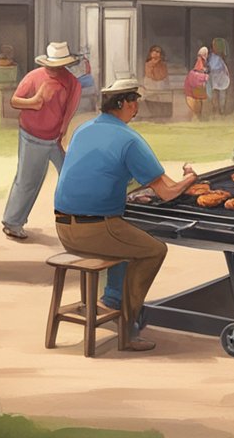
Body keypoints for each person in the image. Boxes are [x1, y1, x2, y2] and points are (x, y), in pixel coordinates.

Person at [53, 77, 199, 352]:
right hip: (94, 231)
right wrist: (190, 179)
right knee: (153, 250)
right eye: (133, 102)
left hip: (63, 227)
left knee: (124, 236)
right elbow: (167, 192)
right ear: (121, 103)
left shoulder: (83, 129)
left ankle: (111, 300)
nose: (136, 108)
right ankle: (127, 327)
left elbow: (96, 170)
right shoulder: (129, 139)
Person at [1, 42, 83, 240]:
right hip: (32, 136)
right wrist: (35, 101)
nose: (52, 69)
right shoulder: (33, 77)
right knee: (28, 180)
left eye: (57, 65)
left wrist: (63, 132)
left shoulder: (72, 83)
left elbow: (69, 111)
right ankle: (12, 222)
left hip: (55, 138)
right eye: (50, 64)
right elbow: (14, 101)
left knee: (72, 177)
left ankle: (77, 223)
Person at [142, 45, 169, 118]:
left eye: (158, 52)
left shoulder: (163, 65)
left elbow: (163, 75)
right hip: (151, 84)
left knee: (162, 98)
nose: (156, 54)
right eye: (154, 51)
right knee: (151, 98)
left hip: (160, 84)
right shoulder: (148, 64)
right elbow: (149, 75)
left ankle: (161, 114)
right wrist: (153, 64)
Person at [206, 37, 232, 116]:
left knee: (222, 92)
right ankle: (215, 109)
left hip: (220, 76)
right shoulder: (212, 56)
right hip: (214, 75)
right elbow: (210, 66)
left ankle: (221, 109)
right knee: (215, 92)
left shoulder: (220, 58)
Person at [183, 46, 209, 120]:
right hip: (192, 92)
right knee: (194, 110)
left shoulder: (204, 71)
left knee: (198, 110)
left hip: (198, 92)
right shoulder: (194, 73)